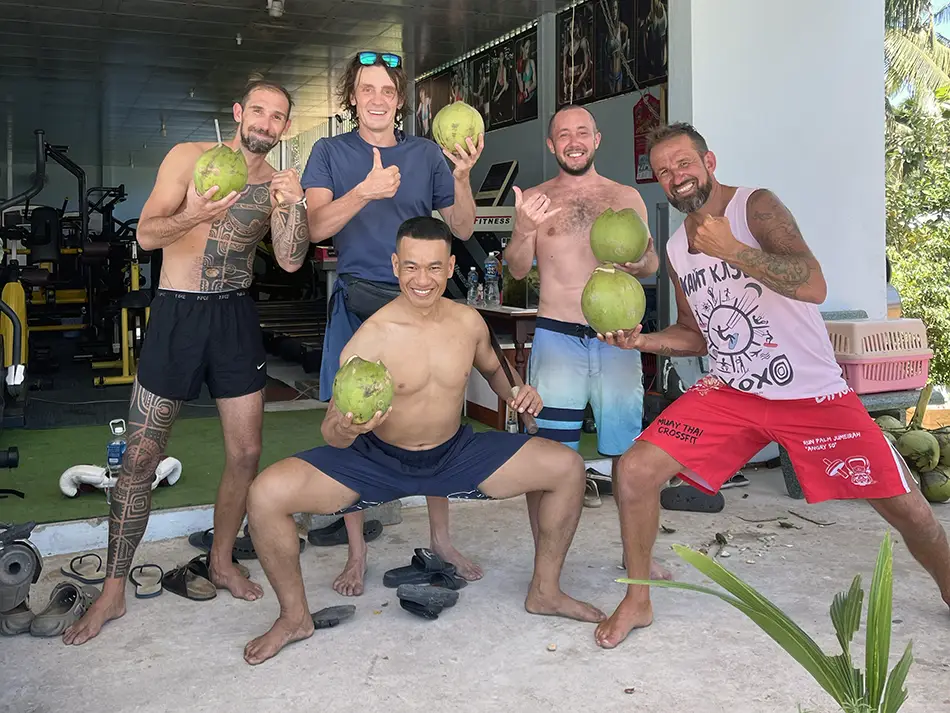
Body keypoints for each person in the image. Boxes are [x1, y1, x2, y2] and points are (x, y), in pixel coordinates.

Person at [594, 122, 950, 649]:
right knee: (635, 470)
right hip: (731, 393)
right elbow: (695, 335)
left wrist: (734, 249)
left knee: (909, 509)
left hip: (812, 394)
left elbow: (814, 284)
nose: (676, 176)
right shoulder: (675, 248)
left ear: (709, 162)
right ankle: (639, 598)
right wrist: (640, 341)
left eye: (684, 163)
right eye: (664, 171)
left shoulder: (754, 206)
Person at [242, 216, 605, 665]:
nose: (422, 279)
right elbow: (331, 429)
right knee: (265, 494)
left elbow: (495, 369)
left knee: (566, 468)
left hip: (454, 454)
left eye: (434, 267)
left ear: (450, 267)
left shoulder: (468, 322)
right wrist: (346, 429)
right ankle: (294, 617)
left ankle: (545, 591)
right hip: (377, 459)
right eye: (411, 267)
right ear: (396, 266)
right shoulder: (370, 338)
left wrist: (518, 393)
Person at [62, 78, 311, 646]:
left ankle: (221, 561)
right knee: (140, 457)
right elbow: (147, 235)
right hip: (178, 312)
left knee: (245, 453)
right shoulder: (188, 157)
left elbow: (292, 260)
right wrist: (195, 211)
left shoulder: (276, 183)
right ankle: (113, 590)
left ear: (284, 127)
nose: (266, 123)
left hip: (234, 318)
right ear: (238, 112)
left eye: (277, 116)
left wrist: (294, 205)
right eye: (258, 111)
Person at [301, 51, 483, 597]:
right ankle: (357, 551)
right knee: (351, 418)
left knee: (436, 415)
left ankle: (442, 540)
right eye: (367, 89)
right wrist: (365, 191)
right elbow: (314, 228)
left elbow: (463, 227)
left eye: (387, 90)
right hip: (360, 300)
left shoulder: (425, 153)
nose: (377, 99)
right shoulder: (330, 152)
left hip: (423, 299)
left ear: (399, 99)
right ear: (352, 98)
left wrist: (462, 176)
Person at [504, 105, 666, 581]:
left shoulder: (625, 197)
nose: (573, 141)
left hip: (618, 340)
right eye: (563, 134)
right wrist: (523, 229)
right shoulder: (536, 200)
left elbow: (651, 260)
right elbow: (517, 269)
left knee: (628, 455)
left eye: (582, 132)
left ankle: (635, 554)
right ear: (551, 145)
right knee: (548, 455)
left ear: (596, 139)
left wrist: (640, 265)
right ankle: (546, 560)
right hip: (558, 336)